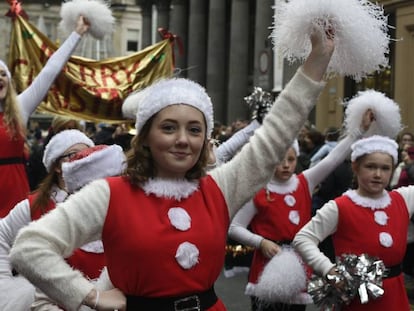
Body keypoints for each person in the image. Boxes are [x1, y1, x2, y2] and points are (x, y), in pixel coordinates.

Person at [9, 28, 335, 311]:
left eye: (195, 130)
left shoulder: (220, 187)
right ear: (146, 136)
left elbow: (275, 135)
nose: (182, 140)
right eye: (168, 128)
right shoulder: (110, 194)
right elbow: (30, 248)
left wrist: (317, 59)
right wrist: (89, 295)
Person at [228, 112, 373, 311]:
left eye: (291, 159)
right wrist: (261, 242)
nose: (286, 165)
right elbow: (234, 227)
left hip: (298, 266)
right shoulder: (259, 189)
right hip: (266, 266)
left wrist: (358, 131)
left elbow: (333, 159)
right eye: (280, 160)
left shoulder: (305, 182)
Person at [0, 129, 125, 310]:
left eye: (87, 153)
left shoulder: (116, 208)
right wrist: (5, 285)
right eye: (74, 154)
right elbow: (4, 236)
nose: (82, 158)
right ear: (57, 166)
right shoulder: (35, 206)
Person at [293, 135, 414, 311]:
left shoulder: (403, 198)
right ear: (355, 167)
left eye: (385, 168)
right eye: (370, 167)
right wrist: (329, 270)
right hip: (357, 300)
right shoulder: (340, 206)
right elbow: (303, 238)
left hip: (394, 297)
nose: (378, 174)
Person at [0, 15, 90, 218]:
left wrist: (77, 34)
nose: (0, 78)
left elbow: (49, 72)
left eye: (3, 74)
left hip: (14, 195)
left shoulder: (19, 109)